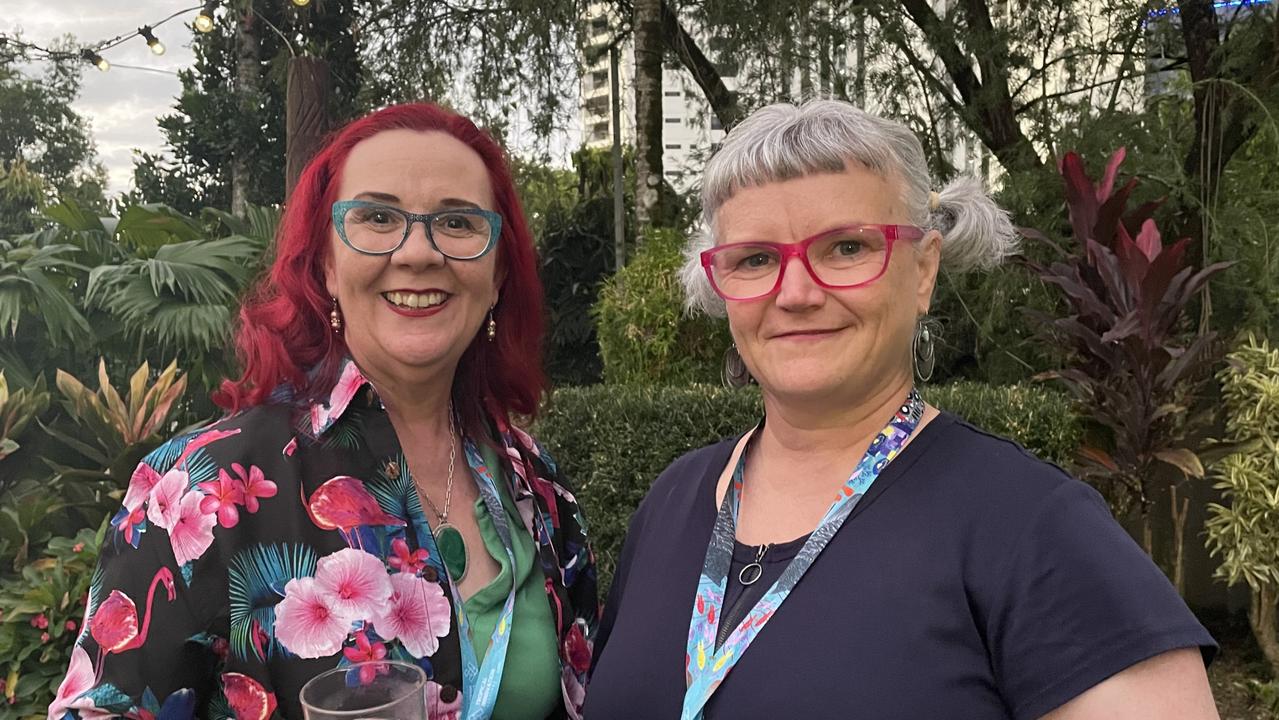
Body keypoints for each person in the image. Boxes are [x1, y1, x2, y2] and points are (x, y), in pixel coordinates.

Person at [584, 99, 1219, 719]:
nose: (797, 292)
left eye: (846, 248)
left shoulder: (1031, 527)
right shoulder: (673, 500)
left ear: (923, 270)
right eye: (756, 259)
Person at [48, 103, 597, 720]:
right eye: (377, 218)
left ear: (497, 274)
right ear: (328, 266)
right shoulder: (199, 492)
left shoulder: (537, 488)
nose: (418, 253)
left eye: (459, 223)